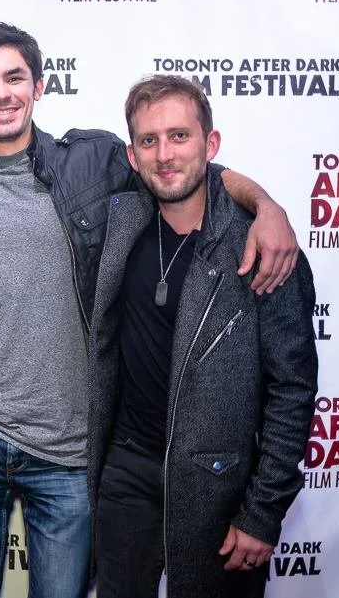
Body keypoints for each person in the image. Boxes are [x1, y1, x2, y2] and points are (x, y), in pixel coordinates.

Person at [0, 22, 300, 598]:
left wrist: (267, 205)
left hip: (72, 447)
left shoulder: (93, 163)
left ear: (39, 85)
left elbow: (182, 172)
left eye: (15, 77)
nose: (1, 94)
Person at [87, 74, 318, 598]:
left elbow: (293, 388)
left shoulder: (261, 247)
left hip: (217, 482)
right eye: (149, 140)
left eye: (179, 136)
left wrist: (262, 513)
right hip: (126, 470)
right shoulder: (120, 222)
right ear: (132, 154)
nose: (164, 154)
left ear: (210, 145)